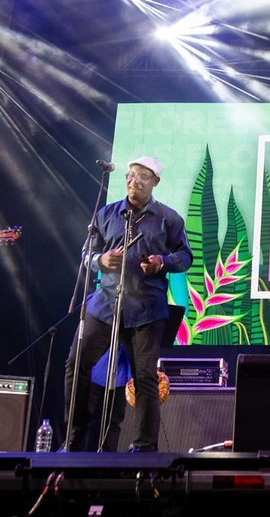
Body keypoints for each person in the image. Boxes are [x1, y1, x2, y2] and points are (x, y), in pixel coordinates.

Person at [64, 155, 192, 452]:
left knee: (144, 377)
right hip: (105, 304)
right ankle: (74, 438)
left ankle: (145, 447)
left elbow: (185, 257)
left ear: (155, 182)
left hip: (146, 309)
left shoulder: (168, 218)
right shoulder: (106, 214)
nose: (134, 181)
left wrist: (162, 262)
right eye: (130, 176)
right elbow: (87, 253)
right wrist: (100, 260)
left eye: (142, 177)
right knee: (76, 364)